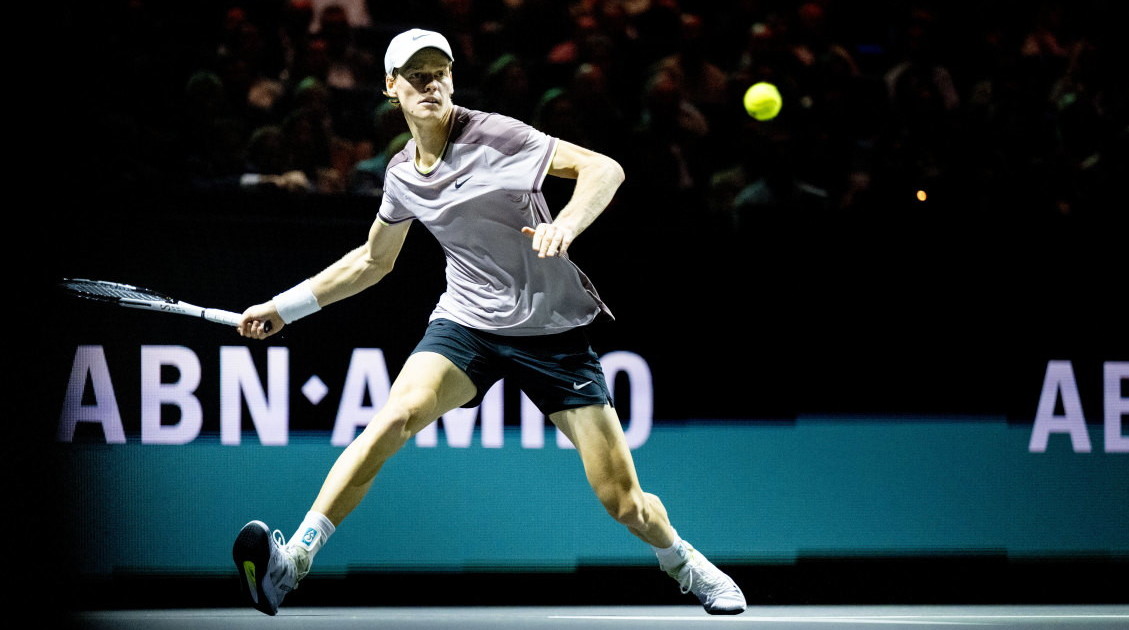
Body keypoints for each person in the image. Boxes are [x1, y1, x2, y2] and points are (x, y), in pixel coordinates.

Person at [231, 28, 747, 617]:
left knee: (624, 503)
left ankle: (682, 561)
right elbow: (372, 262)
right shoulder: (401, 175)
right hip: (468, 323)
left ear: (452, 78)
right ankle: (294, 561)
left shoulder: (498, 136)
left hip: (551, 332)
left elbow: (604, 169)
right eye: (416, 75)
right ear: (391, 87)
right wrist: (283, 308)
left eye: (439, 72)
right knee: (394, 417)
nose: (431, 84)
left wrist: (565, 224)